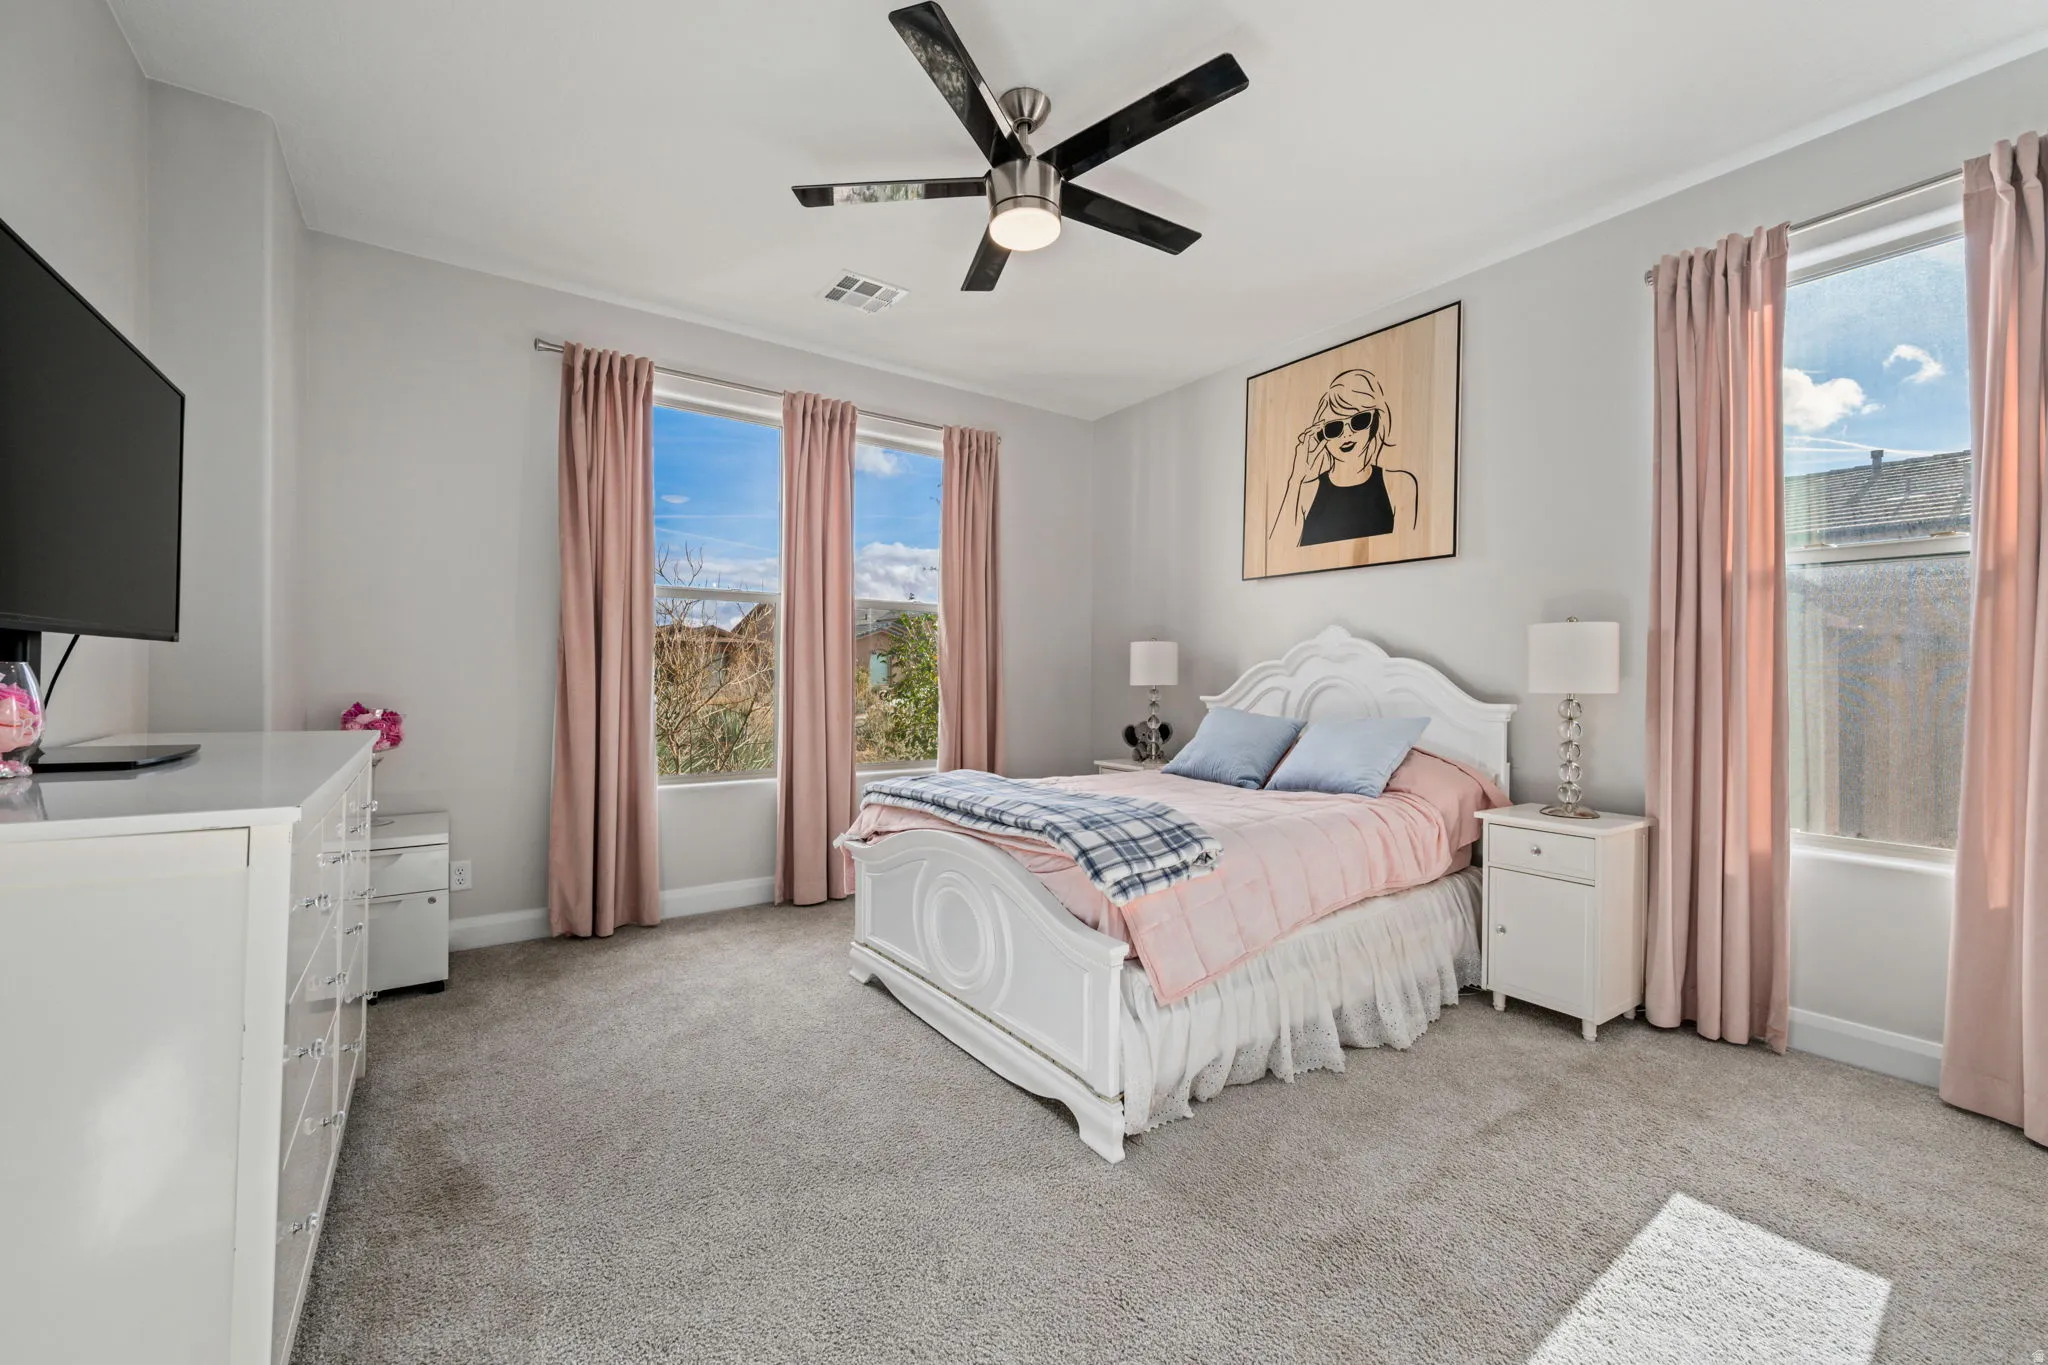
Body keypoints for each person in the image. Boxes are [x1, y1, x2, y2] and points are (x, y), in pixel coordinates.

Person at [1268, 368, 1417, 547]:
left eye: (1359, 420)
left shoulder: (1400, 485)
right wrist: (1296, 478)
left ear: (1375, 422)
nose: (1347, 434)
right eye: (1334, 427)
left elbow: (1410, 548)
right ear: (1321, 435)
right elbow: (1277, 551)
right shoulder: (1306, 491)